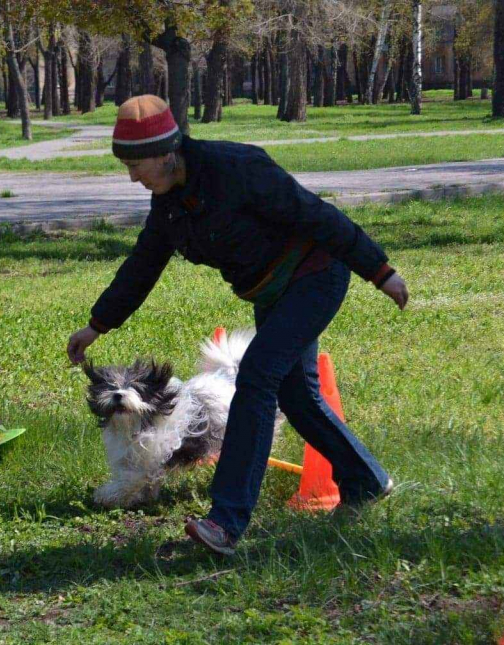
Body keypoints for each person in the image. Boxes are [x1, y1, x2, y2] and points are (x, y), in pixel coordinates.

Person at [66, 95, 409, 556]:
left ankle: (225, 521)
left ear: (166, 151)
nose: (132, 176)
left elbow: (316, 214)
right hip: (271, 293)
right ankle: (367, 480)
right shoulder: (168, 204)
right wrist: (97, 324)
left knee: (257, 379)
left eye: (136, 164)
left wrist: (380, 272)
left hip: (315, 277)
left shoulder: (236, 167)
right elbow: (143, 264)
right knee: (297, 394)